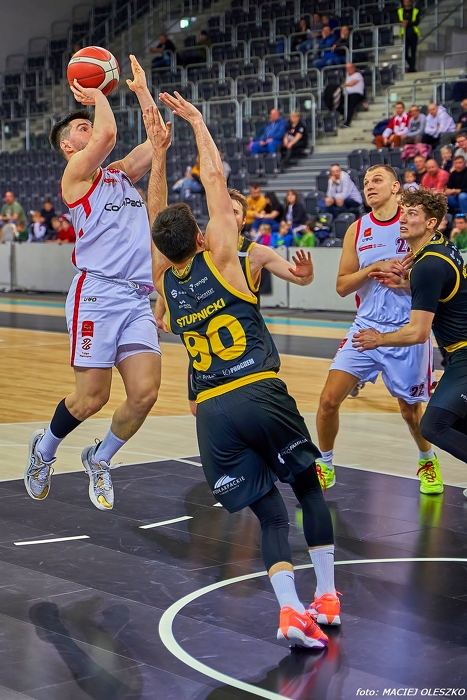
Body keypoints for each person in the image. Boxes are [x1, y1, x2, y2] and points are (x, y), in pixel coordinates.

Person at [146, 96, 339, 646]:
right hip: (258, 392)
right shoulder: (226, 259)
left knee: (270, 516)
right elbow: (214, 177)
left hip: (211, 413)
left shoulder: (164, 281)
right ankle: (326, 596)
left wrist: (158, 156)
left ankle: (290, 611)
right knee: (309, 491)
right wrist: (197, 123)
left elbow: (156, 216)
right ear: (202, 237)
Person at [24, 55, 161, 511]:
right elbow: (106, 135)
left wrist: (141, 91)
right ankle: (44, 449)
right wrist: (99, 93)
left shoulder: (119, 173)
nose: (92, 128)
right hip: (98, 293)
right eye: (81, 127)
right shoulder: (75, 178)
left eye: (90, 122)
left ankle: (99, 458)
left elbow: (158, 139)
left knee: (144, 395)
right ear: (69, 146)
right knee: (92, 398)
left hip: (137, 298)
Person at [315, 164, 443, 494]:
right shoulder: (357, 229)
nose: (369, 186)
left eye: (377, 180)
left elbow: (436, 279)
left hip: (407, 329)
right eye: (366, 182)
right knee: (328, 400)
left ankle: (427, 459)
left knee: (410, 412)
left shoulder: (414, 223)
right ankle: (325, 464)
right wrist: (374, 267)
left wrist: (406, 280)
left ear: (396, 187)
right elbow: (342, 286)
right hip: (366, 325)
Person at [155, 187, 314, 415]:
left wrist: (306, 275)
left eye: (235, 212)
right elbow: (172, 281)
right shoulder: (199, 248)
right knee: (197, 407)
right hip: (205, 343)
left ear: (243, 220)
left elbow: (299, 279)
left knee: (247, 404)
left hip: (242, 346)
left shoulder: (256, 254)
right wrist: (159, 314)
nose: (228, 215)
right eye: (225, 210)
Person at [352, 188, 467, 497]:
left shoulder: (428, 265)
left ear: (431, 223)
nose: (403, 218)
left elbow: (417, 332)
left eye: (412, 214)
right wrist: (407, 283)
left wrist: (379, 339)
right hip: (457, 355)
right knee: (456, 420)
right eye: (404, 212)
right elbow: (444, 289)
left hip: (464, 355)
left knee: (433, 426)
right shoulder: (440, 248)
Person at [339, 63, 365, 128]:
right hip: (347, 94)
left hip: (356, 94)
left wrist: (343, 85)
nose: (348, 70)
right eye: (347, 68)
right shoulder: (348, 76)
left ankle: (347, 122)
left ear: (353, 68)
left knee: (350, 106)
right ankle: (344, 116)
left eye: (349, 68)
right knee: (338, 104)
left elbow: (351, 84)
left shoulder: (357, 75)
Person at [398, 0, 421, 73]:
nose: (407, 3)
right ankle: (411, 66)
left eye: (408, 1)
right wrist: (402, 23)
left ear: (411, 2)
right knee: (405, 53)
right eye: (405, 1)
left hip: (413, 33)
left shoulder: (416, 11)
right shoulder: (400, 11)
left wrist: (407, 23)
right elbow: (398, 20)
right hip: (404, 34)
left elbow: (417, 22)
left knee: (413, 52)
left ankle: (412, 68)